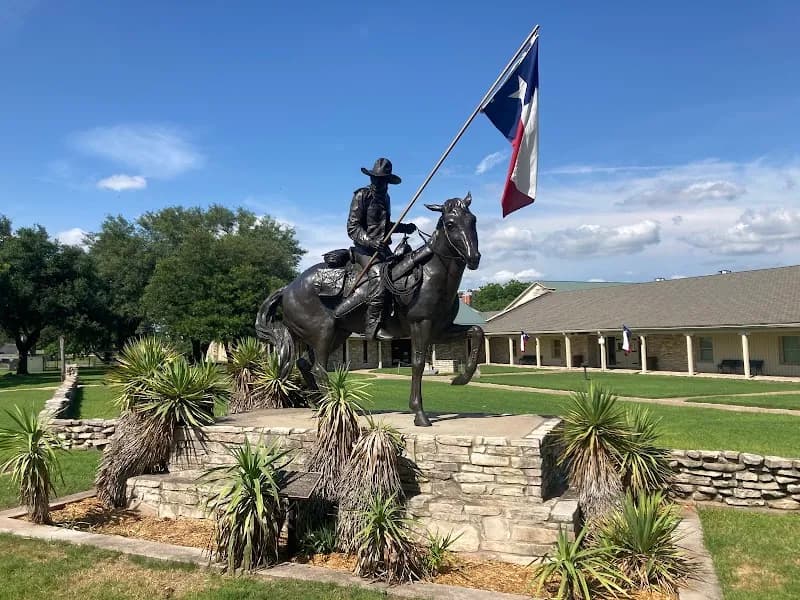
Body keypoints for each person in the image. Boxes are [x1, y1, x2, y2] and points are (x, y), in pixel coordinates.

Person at [334, 158, 416, 340]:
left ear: (387, 181)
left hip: (382, 249)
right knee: (379, 275)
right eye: (375, 178)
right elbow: (353, 227)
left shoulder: (386, 198)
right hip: (364, 250)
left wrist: (404, 227)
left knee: (402, 270)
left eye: (381, 179)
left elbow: (385, 226)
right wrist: (370, 242)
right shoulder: (361, 195)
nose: (377, 182)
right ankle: (373, 327)